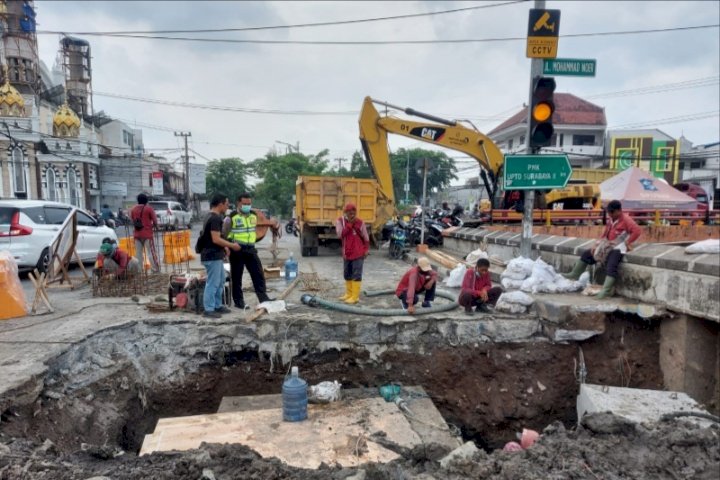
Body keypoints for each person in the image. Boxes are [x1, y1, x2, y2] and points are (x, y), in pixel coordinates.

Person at [564, 199, 641, 299]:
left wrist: (627, 242)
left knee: (611, 265)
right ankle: (575, 274)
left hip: (618, 247)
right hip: (607, 245)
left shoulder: (626, 220)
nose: (610, 214)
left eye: (612, 212)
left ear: (619, 211)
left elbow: (637, 231)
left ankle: (606, 291)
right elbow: (605, 234)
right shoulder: (611, 220)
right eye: (609, 212)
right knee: (587, 254)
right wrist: (596, 244)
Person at [227, 193, 272, 309]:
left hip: (251, 249)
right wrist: (228, 247)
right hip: (237, 249)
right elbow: (224, 234)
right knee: (237, 276)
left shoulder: (253, 215)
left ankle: (263, 298)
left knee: (258, 273)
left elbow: (255, 230)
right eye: (244, 204)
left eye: (249, 204)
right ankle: (238, 301)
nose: (247, 206)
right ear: (238, 203)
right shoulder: (231, 216)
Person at [200, 194, 240, 318]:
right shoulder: (215, 218)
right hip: (211, 255)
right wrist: (232, 245)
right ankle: (209, 309)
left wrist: (225, 247)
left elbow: (216, 238)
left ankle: (218, 305)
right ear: (220, 204)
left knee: (221, 280)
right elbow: (216, 239)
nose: (227, 207)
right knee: (213, 282)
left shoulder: (211, 216)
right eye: (226, 204)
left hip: (215, 254)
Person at [336, 203, 369, 304]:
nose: (352, 214)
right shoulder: (340, 221)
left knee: (356, 274)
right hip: (347, 253)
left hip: (358, 253)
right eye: (349, 212)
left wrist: (366, 250)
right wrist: (350, 225)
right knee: (347, 273)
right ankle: (349, 294)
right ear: (345, 212)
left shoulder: (360, 222)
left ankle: (355, 297)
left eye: (353, 212)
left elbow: (366, 237)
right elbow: (340, 235)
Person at [130, 193, 160, 273]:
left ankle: (139, 270)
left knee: (138, 254)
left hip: (137, 235)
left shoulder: (133, 209)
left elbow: (132, 220)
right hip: (147, 234)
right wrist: (156, 227)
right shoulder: (149, 209)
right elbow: (155, 221)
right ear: (146, 200)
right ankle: (155, 269)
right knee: (151, 253)